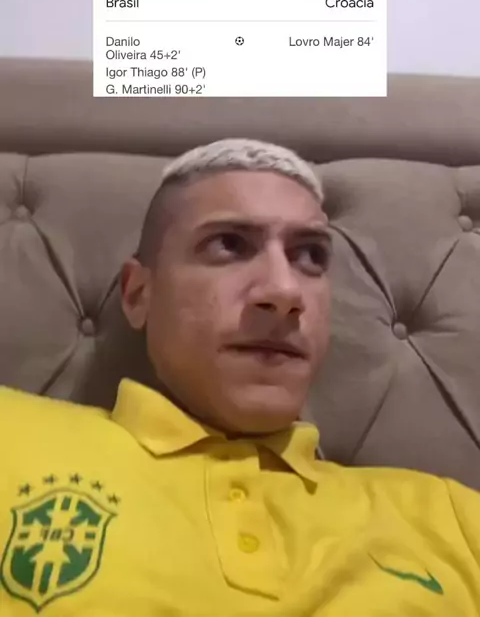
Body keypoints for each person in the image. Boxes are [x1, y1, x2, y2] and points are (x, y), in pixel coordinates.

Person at [0, 138, 478, 616]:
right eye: (229, 244)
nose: (284, 292)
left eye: (310, 256)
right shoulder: (12, 436)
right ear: (138, 295)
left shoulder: (451, 518)